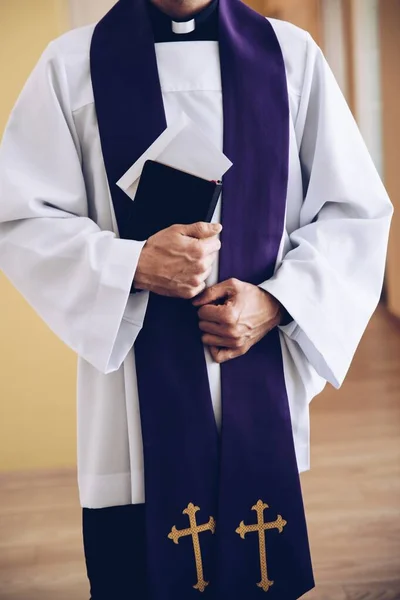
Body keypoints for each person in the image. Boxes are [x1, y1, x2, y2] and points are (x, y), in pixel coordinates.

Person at [0, 0, 393, 598]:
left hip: (254, 379)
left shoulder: (290, 58)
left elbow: (355, 212)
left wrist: (278, 302)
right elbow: (21, 219)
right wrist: (132, 264)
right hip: (131, 410)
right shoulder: (71, 66)